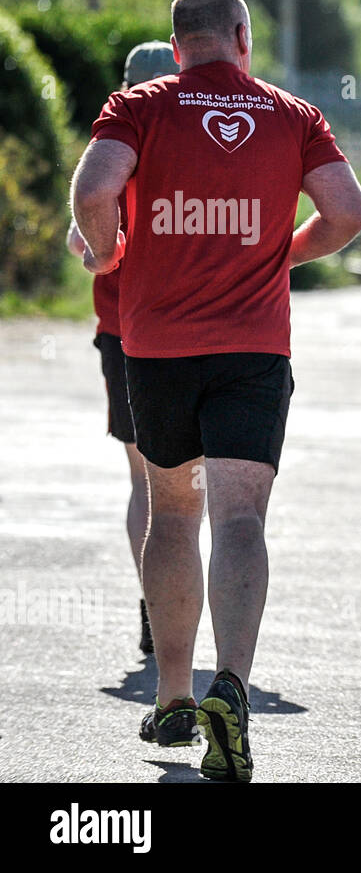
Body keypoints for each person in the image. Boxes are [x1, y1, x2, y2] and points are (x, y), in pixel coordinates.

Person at [70, 0, 361, 781]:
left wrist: (106, 252)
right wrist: (281, 252)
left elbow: (95, 190)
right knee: (242, 516)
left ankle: (170, 696)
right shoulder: (293, 114)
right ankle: (230, 688)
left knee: (173, 511)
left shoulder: (139, 106)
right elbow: (348, 214)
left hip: (159, 346)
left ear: (175, 47)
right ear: (242, 36)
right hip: (253, 349)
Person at [65, 41, 179, 659]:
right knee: (200, 484)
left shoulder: (115, 138)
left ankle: (152, 601)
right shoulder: (208, 135)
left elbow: (78, 239)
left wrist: (106, 251)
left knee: (147, 480)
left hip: (125, 331)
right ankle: (174, 602)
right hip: (200, 329)